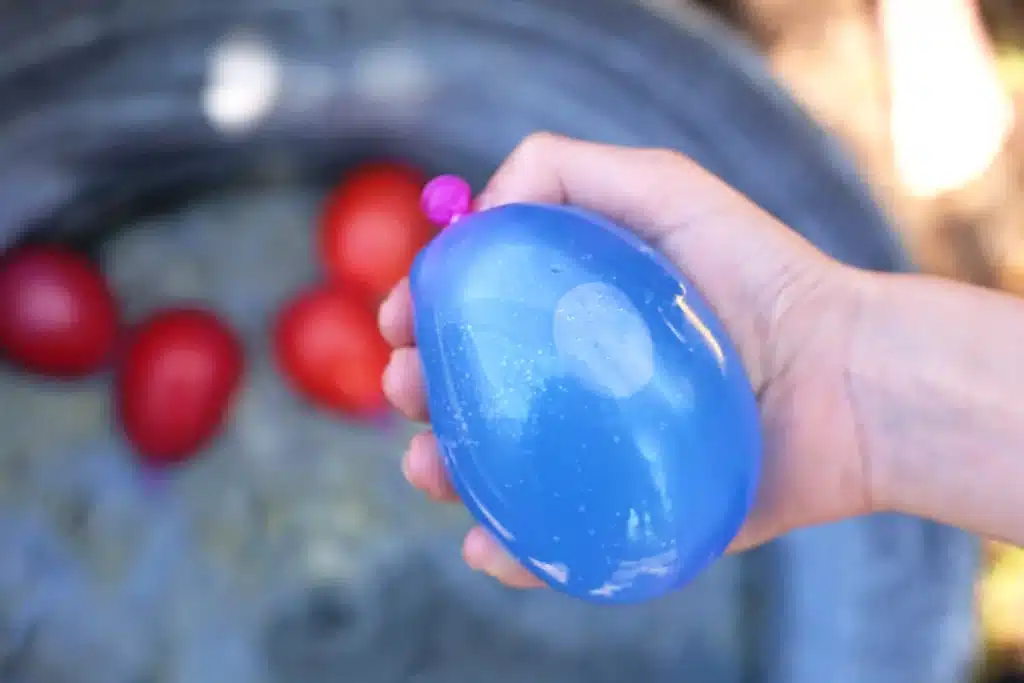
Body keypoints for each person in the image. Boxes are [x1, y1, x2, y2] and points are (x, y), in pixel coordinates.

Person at [377, 132, 1024, 589]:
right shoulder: (472, 283)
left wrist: (834, 346)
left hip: (694, 494)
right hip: (706, 482)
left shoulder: (485, 268)